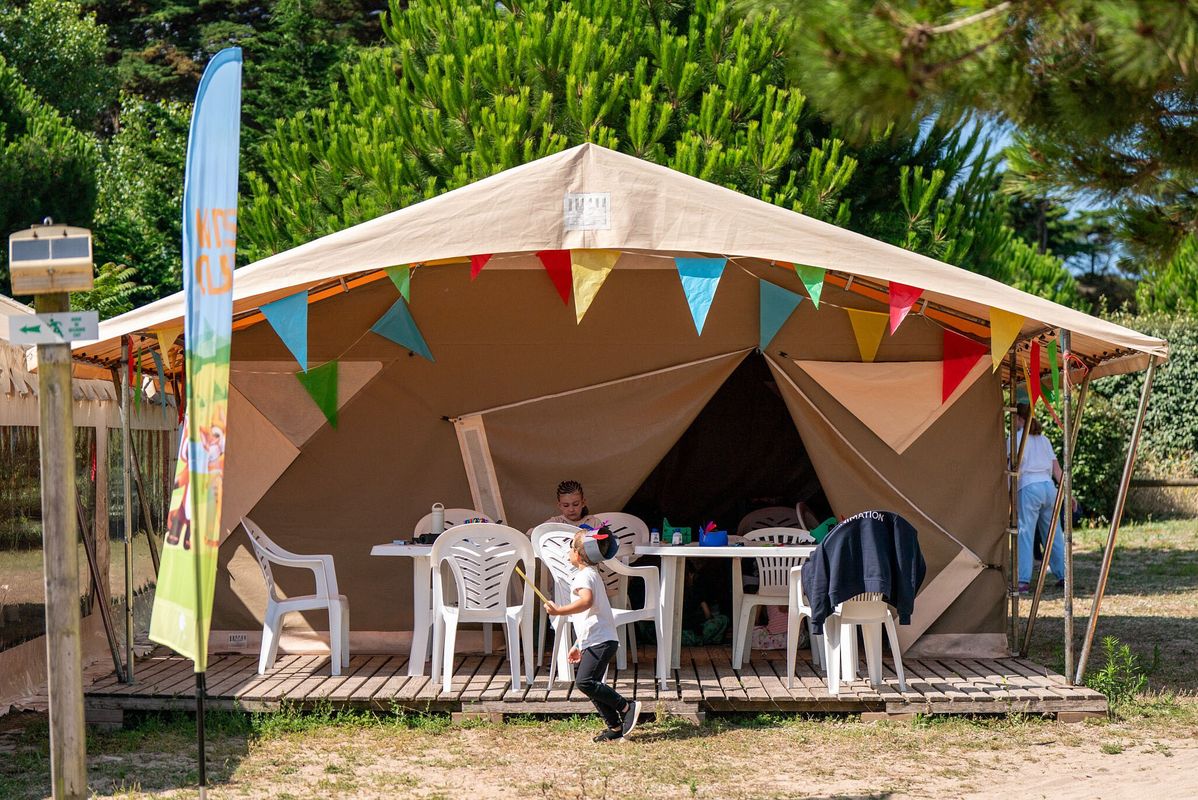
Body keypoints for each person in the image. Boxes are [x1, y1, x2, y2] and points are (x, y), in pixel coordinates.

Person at [544, 528, 641, 742]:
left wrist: (559, 611)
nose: (568, 552)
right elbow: (591, 613)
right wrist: (578, 644)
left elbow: (586, 602)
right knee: (591, 684)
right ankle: (615, 728)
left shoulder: (583, 577)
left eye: (570, 548)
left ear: (578, 555)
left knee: (585, 682)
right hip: (597, 639)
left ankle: (626, 707)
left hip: (601, 640)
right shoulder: (592, 575)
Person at [1010, 404, 1066, 593]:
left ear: (1019, 419)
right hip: (1048, 487)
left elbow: (1011, 470)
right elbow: (1057, 470)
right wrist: (1067, 493)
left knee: (1025, 533)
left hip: (1028, 487)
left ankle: (1023, 579)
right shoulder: (1044, 440)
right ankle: (1063, 575)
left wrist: (1008, 496)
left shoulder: (1014, 439)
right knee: (1053, 534)